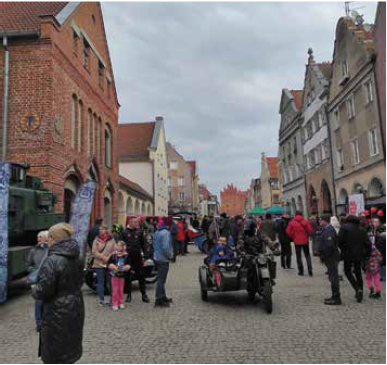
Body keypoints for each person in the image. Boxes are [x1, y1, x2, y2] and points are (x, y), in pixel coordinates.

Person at [31, 223, 84, 364]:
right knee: (70, 347)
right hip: (75, 306)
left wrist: (34, 289)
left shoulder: (52, 260)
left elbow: (44, 290)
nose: (48, 240)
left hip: (57, 311)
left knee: (55, 352)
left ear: (55, 239)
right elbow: (80, 282)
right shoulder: (77, 257)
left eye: (50, 238)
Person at [338, 215, 371, 302]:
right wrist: (366, 254)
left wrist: (343, 249)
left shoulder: (344, 227)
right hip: (359, 254)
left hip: (347, 254)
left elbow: (339, 241)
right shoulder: (362, 229)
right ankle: (361, 291)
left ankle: (357, 289)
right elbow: (368, 243)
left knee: (348, 271)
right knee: (358, 272)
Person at [122, 217, 150, 303]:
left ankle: (144, 294)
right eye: (135, 222)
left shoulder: (139, 232)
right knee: (127, 277)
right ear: (130, 222)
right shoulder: (124, 232)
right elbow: (120, 244)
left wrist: (145, 256)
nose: (137, 223)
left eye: (137, 222)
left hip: (138, 257)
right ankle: (128, 294)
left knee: (141, 276)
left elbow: (144, 244)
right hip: (128, 258)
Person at [26, 230, 49, 332]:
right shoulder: (33, 250)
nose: (39, 239)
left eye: (41, 237)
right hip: (37, 279)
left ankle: (47, 321)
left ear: (46, 238)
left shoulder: (50, 250)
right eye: (38, 237)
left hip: (48, 278)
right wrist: (34, 271)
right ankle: (39, 323)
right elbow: (28, 265)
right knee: (38, 301)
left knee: (48, 301)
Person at [318, 215, 342, 305]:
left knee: (333, 277)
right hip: (330, 257)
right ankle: (334, 296)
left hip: (331, 257)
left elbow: (329, 245)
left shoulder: (329, 230)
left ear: (324, 221)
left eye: (320, 220)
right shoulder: (327, 229)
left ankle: (336, 297)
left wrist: (324, 255)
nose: (319, 222)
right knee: (332, 277)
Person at [92, 225, 115, 306]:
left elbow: (114, 250)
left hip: (109, 263)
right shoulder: (96, 239)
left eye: (102, 229)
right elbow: (94, 252)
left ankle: (113, 299)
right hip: (99, 263)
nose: (100, 230)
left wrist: (108, 257)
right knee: (100, 282)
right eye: (100, 229)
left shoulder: (111, 239)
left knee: (110, 282)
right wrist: (103, 257)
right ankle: (101, 300)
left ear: (106, 230)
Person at [153, 219, 174, 307]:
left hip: (157, 257)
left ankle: (163, 296)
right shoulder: (165, 233)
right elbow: (165, 247)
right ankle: (159, 299)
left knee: (161, 279)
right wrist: (170, 255)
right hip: (163, 259)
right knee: (161, 280)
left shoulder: (157, 232)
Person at [286, 211, 314, 276]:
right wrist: (307, 235)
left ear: (295, 215)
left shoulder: (292, 222)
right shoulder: (305, 221)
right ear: (301, 215)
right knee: (307, 256)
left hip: (297, 241)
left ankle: (301, 271)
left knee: (299, 257)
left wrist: (293, 236)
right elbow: (311, 230)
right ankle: (310, 270)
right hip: (305, 241)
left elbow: (288, 231)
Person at [107, 241, 131, 310]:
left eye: (120, 246)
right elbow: (109, 263)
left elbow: (129, 263)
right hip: (114, 274)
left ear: (123, 247)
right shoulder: (113, 255)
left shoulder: (126, 255)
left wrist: (126, 267)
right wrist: (112, 266)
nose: (118, 247)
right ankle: (114, 303)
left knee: (121, 289)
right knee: (115, 289)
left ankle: (120, 302)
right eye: (117, 245)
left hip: (122, 275)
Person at [365, 217, 384, 299]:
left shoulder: (366, 237)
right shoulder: (378, 236)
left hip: (369, 257)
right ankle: (378, 291)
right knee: (376, 275)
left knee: (368, 276)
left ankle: (371, 289)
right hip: (376, 256)